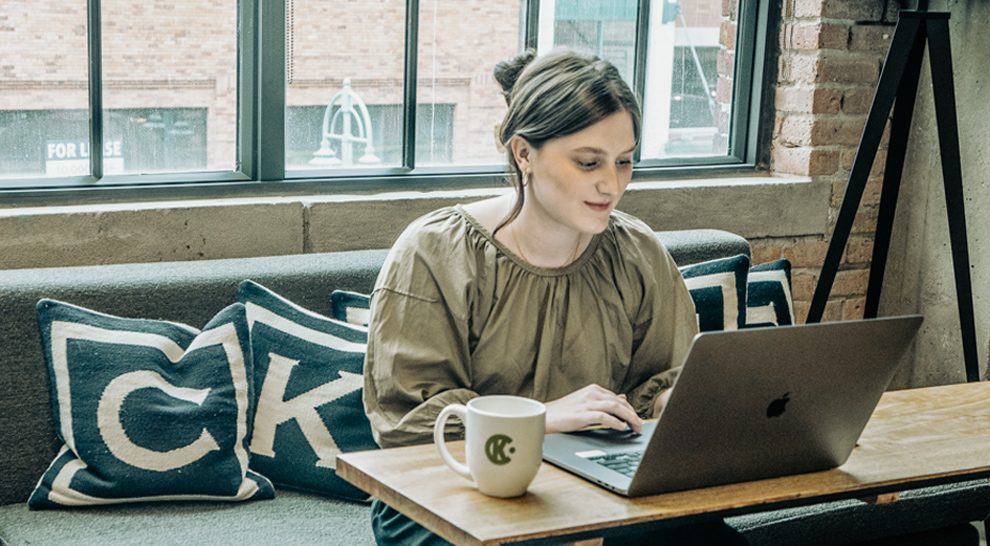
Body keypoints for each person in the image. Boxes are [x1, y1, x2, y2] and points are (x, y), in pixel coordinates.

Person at [363, 48, 746, 546]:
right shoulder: (434, 251)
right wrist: (542, 420)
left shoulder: (638, 251)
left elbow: (664, 379)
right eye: (588, 162)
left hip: (591, 481)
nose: (611, 184)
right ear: (524, 153)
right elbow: (410, 426)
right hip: (451, 490)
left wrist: (682, 405)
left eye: (625, 161)